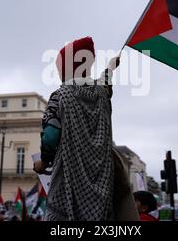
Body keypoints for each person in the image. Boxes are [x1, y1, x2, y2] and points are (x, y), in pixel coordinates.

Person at [33, 37, 137, 221]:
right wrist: (111, 66)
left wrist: (42, 163)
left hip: (67, 184)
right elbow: (105, 84)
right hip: (103, 186)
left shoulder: (60, 96)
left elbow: (50, 135)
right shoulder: (101, 95)